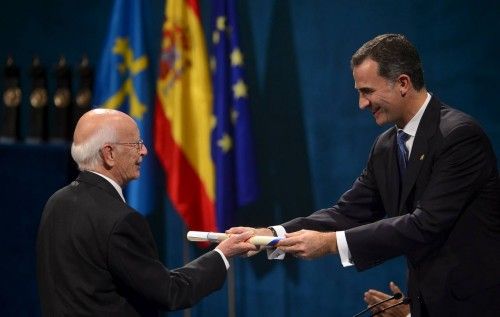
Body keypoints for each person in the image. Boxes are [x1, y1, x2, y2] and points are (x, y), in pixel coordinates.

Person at [228, 34, 500, 316]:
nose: (362, 103)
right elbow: (347, 213)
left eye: (367, 91)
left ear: (403, 83)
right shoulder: (386, 146)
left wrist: (331, 243)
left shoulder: (459, 136)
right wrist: (272, 235)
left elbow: (425, 224)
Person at [36, 109, 257, 316]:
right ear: (109, 153)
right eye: (136, 143)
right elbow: (170, 293)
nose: (144, 150)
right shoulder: (121, 220)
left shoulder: (55, 203)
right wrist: (223, 254)